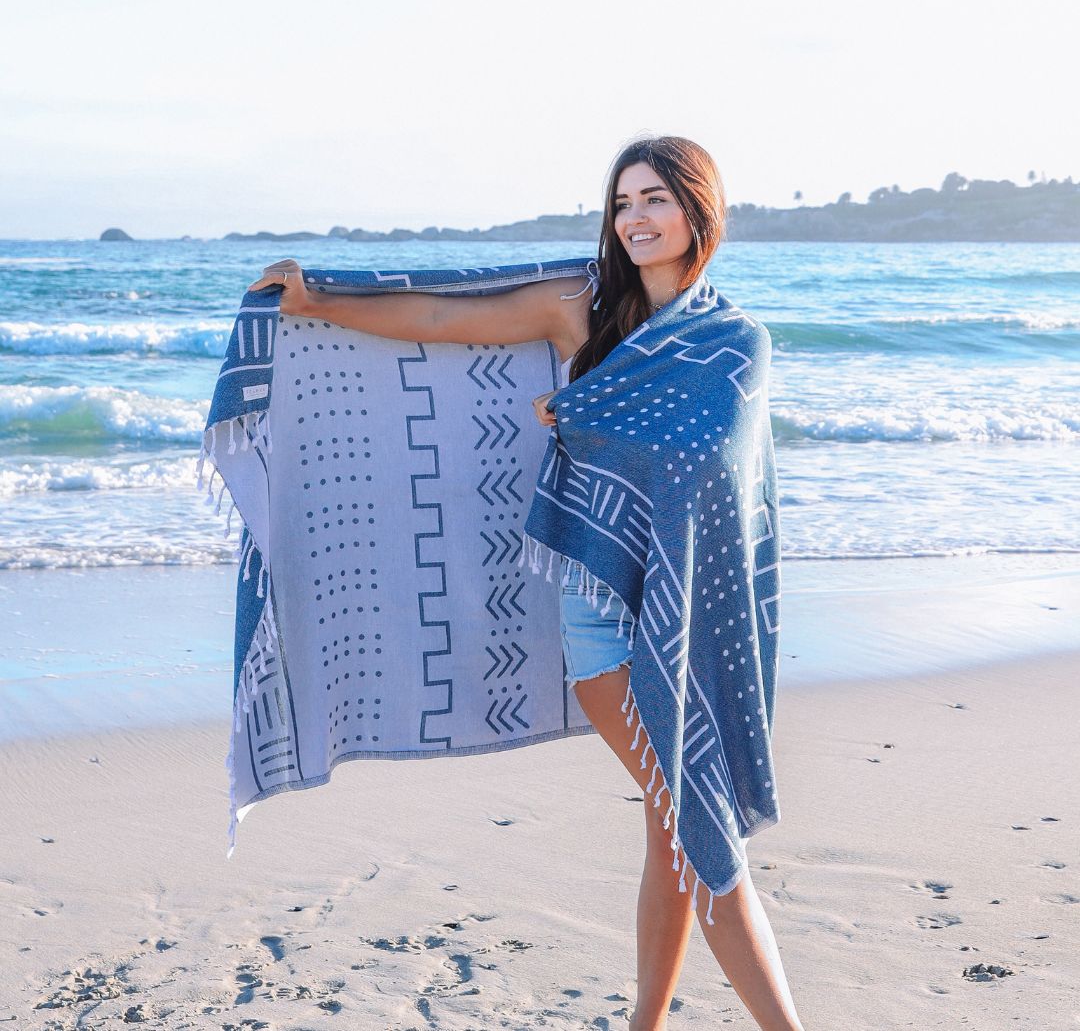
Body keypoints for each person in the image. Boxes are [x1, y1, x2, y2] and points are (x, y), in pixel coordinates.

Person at [247, 135, 806, 1031]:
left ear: (699, 210)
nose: (634, 220)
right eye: (622, 203)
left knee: (676, 838)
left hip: (689, 621)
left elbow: (717, 479)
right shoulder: (579, 306)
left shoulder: (736, 343)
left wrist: (588, 413)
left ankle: (645, 1026)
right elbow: (439, 321)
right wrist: (322, 299)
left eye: (654, 199)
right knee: (702, 836)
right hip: (604, 634)